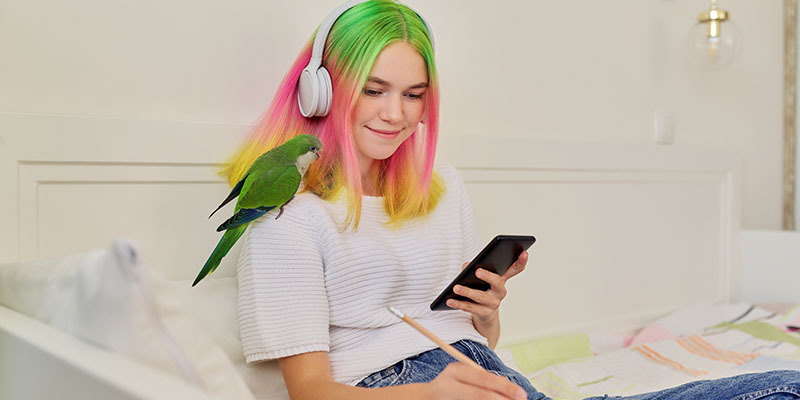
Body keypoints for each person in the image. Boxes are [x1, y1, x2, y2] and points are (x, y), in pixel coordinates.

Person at [224, 1, 800, 399]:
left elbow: (474, 341)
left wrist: (486, 314)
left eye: (413, 95)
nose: (395, 113)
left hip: (488, 374)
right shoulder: (288, 218)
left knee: (784, 385)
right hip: (393, 388)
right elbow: (311, 393)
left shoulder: (441, 190)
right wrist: (427, 395)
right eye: (373, 90)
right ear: (323, 91)